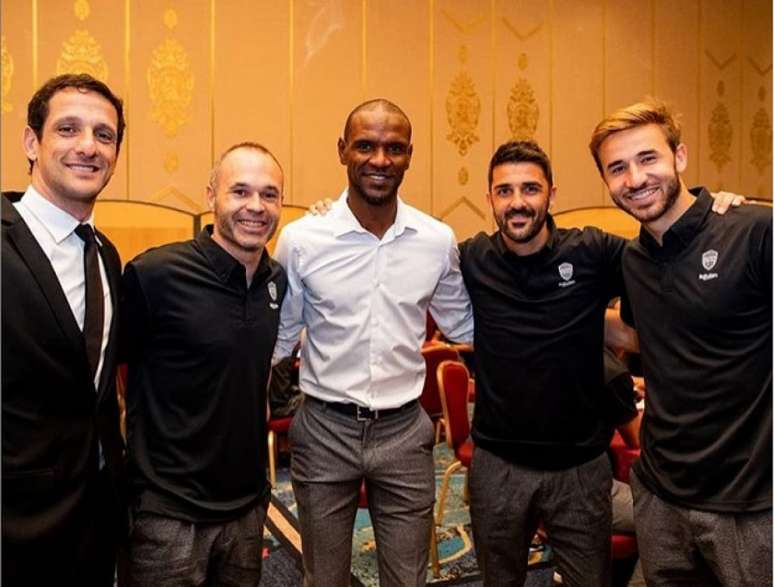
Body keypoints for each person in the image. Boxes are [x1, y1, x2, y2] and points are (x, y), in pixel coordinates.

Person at [273, 99, 473, 586]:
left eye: (393, 148)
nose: (379, 160)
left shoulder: (436, 239)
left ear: (409, 156)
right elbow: (276, 337)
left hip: (405, 431)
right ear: (342, 151)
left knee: (408, 577)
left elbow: (468, 326)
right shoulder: (302, 240)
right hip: (324, 428)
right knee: (324, 577)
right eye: (365, 146)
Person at [590, 99, 772, 585]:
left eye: (648, 158)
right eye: (617, 168)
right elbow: (636, 333)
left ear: (681, 157)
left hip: (749, 505)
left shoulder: (753, 232)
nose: (635, 179)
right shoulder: (633, 260)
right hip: (660, 496)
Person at [461, 140, 632, 587]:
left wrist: (713, 210)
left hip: (580, 467)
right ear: (490, 199)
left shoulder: (591, 250)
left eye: (530, 189)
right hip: (497, 465)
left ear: (552, 194)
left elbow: (663, 252)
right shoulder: (472, 259)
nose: (517, 203)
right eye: (505, 191)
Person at [121, 142, 287, 585]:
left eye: (270, 195)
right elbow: (106, 375)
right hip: (168, 513)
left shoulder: (277, 281)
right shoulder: (155, 275)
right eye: (240, 192)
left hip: (246, 508)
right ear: (210, 196)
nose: (256, 206)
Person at [2, 73, 127, 585]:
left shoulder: (106, 255)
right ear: (32, 142)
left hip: (95, 515)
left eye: (104, 134)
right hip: (14, 522)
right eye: (69, 129)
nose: (88, 147)